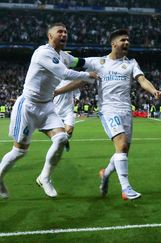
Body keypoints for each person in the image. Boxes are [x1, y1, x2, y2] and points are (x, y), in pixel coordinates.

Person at [55, 29, 161, 201]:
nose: (127, 43)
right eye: (123, 40)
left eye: (128, 40)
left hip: (126, 110)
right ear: (113, 43)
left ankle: (105, 174)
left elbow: (142, 80)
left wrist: (153, 90)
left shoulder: (132, 63)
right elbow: (79, 71)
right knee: (120, 144)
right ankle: (126, 188)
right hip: (108, 109)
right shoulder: (99, 63)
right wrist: (58, 89)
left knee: (123, 150)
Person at [0, 23, 98, 199]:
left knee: (61, 138)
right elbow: (64, 73)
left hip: (46, 106)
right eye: (60, 31)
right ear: (50, 36)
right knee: (20, 152)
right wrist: (87, 75)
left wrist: (101, 61)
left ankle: (44, 177)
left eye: (66, 32)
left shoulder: (63, 56)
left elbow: (79, 61)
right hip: (28, 106)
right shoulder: (43, 52)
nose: (64, 34)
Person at [53, 79, 80, 151]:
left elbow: (77, 92)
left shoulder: (71, 80)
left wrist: (77, 98)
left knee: (69, 131)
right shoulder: (54, 81)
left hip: (68, 110)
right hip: (56, 111)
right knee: (58, 134)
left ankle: (65, 140)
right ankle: (63, 141)